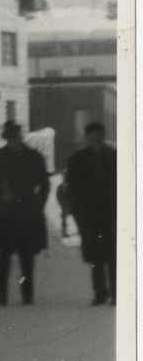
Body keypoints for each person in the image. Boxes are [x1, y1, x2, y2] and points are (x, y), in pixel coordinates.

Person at [0, 121, 50, 305]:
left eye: (14, 137)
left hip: (27, 211)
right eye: (10, 138)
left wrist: (38, 203)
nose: (13, 141)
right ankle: (1, 293)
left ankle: (27, 294)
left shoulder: (33, 157)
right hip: (5, 211)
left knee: (26, 254)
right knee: (4, 255)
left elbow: (44, 185)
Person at [65, 122, 117, 306]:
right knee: (95, 257)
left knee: (113, 256)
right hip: (89, 217)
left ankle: (116, 293)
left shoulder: (115, 157)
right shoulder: (77, 160)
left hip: (112, 216)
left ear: (103, 137)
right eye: (92, 138)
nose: (96, 141)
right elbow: (72, 190)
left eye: (99, 138)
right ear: (87, 139)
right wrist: (78, 214)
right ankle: (100, 292)